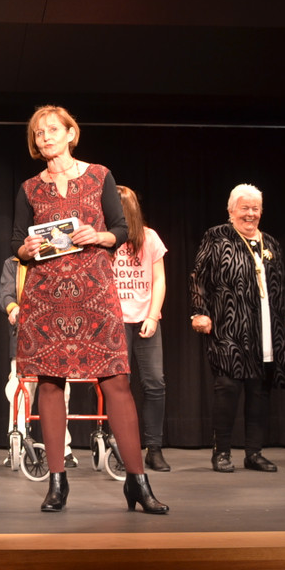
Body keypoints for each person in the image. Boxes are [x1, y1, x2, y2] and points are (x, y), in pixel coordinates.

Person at [12, 105, 166, 514]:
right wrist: (25, 249)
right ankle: (57, 482)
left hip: (96, 294)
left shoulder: (100, 175)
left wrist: (97, 236)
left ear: (70, 133)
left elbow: (121, 229)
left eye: (52, 129)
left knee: (116, 382)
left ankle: (137, 482)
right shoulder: (29, 188)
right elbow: (15, 242)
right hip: (46, 297)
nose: (45, 136)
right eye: (39, 132)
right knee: (50, 384)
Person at [189, 184, 285, 473]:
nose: (250, 214)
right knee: (227, 387)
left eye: (255, 208)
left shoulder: (270, 243)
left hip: (265, 328)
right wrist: (199, 312)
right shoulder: (217, 236)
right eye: (244, 208)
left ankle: (254, 453)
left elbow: (281, 286)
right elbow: (199, 276)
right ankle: (221, 452)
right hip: (229, 325)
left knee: (259, 390)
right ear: (231, 210)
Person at [113, 186, 170, 472]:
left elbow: (159, 280)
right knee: (117, 386)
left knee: (155, 384)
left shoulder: (150, 238)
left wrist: (153, 316)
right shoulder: (105, 239)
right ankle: (119, 446)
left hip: (146, 319)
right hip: (115, 321)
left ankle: (154, 449)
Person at [0, 255, 75, 468]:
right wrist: (13, 308)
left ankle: (63, 449)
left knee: (61, 392)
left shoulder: (60, 259)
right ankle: (17, 445)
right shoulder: (13, 263)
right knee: (20, 391)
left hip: (56, 335)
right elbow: (6, 294)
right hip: (25, 335)